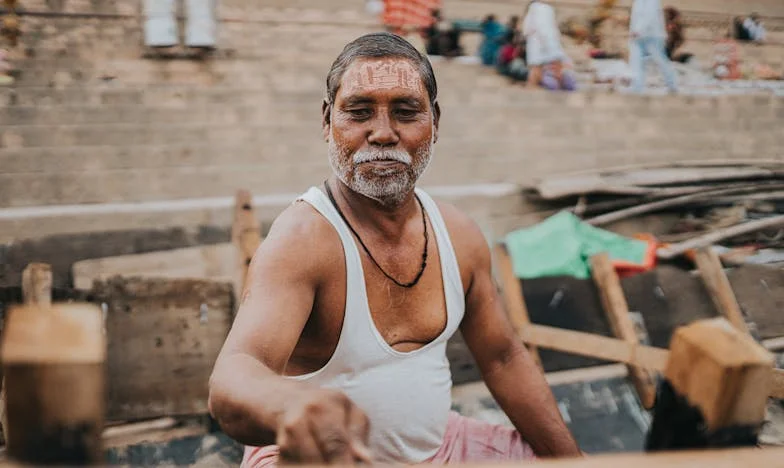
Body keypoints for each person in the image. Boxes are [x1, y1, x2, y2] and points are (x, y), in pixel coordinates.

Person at [208, 32, 582, 467]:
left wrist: (573, 461)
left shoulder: (457, 234)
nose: (383, 134)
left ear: (435, 122)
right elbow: (233, 377)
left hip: (441, 449)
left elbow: (503, 358)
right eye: (359, 112)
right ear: (327, 120)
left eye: (406, 112)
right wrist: (289, 406)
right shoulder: (303, 239)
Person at [629, 0, 678, 93]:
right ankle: (637, 86)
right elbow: (636, 16)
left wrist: (638, 30)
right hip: (639, 36)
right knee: (636, 61)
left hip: (652, 35)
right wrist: (635, 31)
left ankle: (672, 84)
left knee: (660, 60)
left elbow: (649, 15)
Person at [523, 0, 568, 89]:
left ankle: (531, 87)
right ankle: (559, 88)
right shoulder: (543, 8)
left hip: (536, 42)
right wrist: (551, 43)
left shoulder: (534, 8)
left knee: (536, 67)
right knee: (556, 65)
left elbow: (526, 29)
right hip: (545, 42)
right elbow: (546, 28)